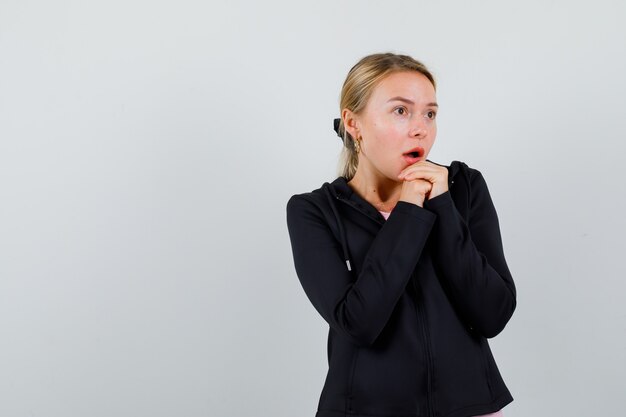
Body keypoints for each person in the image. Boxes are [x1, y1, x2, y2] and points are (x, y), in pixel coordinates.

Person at [286, 52, 516, 417]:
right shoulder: (314, 211)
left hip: (471, 406)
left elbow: (494, 314)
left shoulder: (462, 187)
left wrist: (441, 205)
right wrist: (409, 211)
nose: (420, 128)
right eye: (400, 111)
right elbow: (358, 323)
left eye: (430, 113)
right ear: (353, 122)